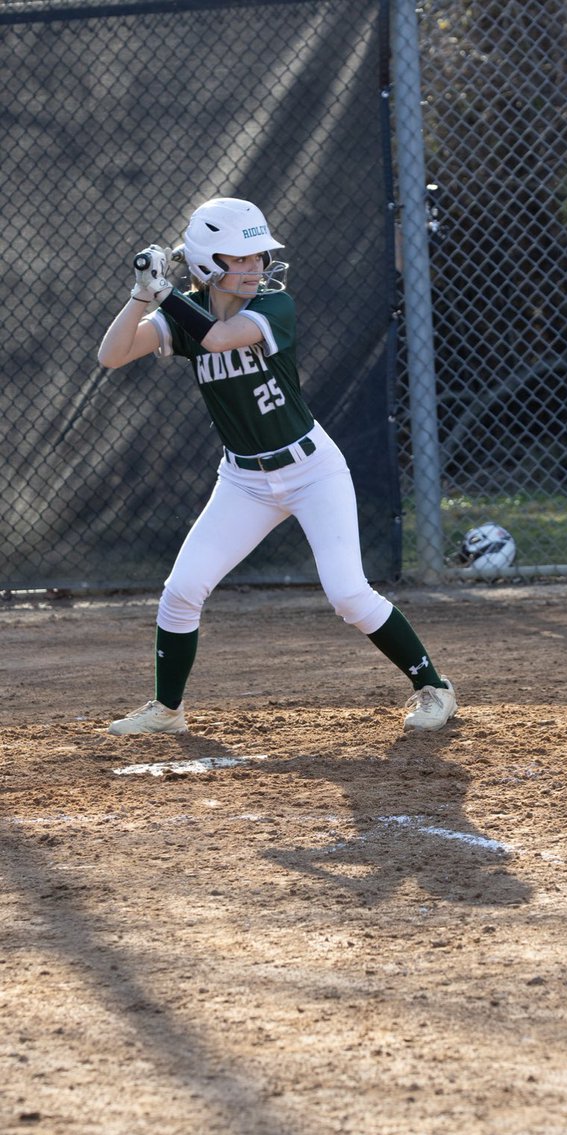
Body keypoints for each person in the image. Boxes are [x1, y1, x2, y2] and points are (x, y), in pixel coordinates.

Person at [98, 197, 457, 735]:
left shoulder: (274, 305)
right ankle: (167, 710)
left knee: (348, 593)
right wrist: (140, 294)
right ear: (206, 263)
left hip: (312, 471)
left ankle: (434, 686)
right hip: (243, 481)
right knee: (182, 590)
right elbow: (111, 355)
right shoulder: (184, 312)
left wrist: (166, 293)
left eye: (257, 256)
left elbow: (219, 337)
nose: (254, 267)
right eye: (239, 258)